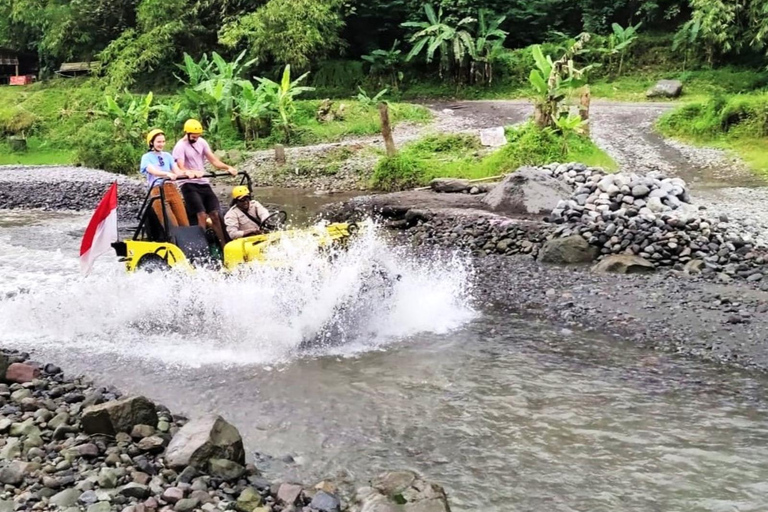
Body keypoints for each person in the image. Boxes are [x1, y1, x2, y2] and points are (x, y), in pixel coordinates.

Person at [172, 119, 238, 245]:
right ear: (186, 133)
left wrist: (228, 167)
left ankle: (225, 246)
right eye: (193, 137)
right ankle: (202, 247)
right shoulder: (180, 146)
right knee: (201, 214)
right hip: (188, 184)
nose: (195, 139)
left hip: (203, 183)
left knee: (215, 214)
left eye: (198, 136)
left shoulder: (201, 142)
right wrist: (189, 172)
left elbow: (214, 161)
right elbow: (180, 167)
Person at [140, 129, 189, 228]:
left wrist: (189, 173)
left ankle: (187, 241)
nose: (161, 144)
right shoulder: (146, 157)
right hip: (157, 189)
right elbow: (152, 170)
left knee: (184, 222)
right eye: (158, 142)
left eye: (163, 141)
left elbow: (177, 171)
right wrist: (167, 174)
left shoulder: (167, 156)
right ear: (151, 143)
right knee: (171, 224)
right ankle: (172, 239)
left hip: (171, 188)